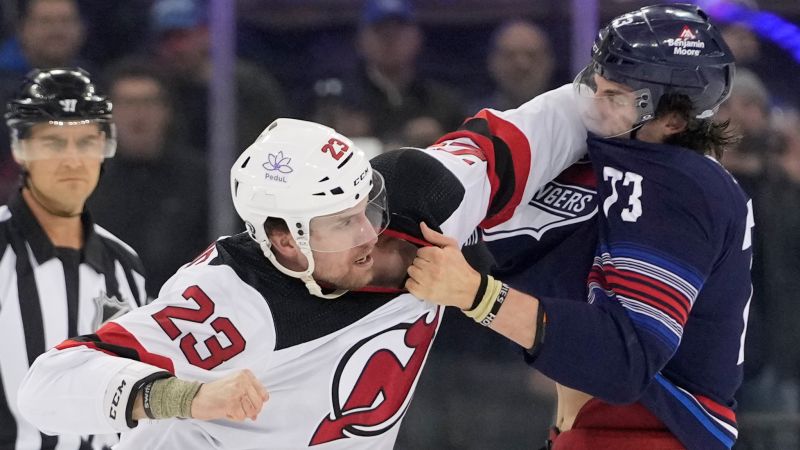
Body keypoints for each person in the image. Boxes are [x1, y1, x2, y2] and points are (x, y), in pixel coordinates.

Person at [15, 67, 593, 447]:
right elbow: (46, 386)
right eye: (343, 223)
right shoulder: (231, 301)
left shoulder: (424, 200)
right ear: (286, 240)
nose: (370, 231)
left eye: (369, 205)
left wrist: (632, 76)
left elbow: (552, 123)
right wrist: (184, 394)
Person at [405, 4, 749, 450]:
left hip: (648, 436)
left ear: (674, 120)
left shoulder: (678, 185)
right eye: (595, 82)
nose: (591, 104)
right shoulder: (631, 159)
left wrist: (475, 294)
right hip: (597, 432)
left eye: (618, 97)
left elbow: (624, 360)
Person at [0, 68, 148, 449]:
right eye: (53, 143)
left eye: (85, 143)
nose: (72, 160)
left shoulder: (124, 265)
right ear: (20, 150)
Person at [89, 59, 208, 297]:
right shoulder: (85, 181)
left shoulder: (201, 178)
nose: (138, 113)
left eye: (148, 102)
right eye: (128, 103)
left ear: (167, 111)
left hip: (184, 309)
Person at [0, 0, 91, 203]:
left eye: (65, 21)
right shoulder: (3, 89)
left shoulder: (101, 87)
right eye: (46, 22)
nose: (57, 31)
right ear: (23, 29)